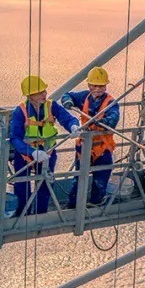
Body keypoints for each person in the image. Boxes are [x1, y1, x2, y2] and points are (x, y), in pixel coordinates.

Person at [9, 75, 80, 216]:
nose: (44, 94)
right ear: (30, 96)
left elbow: (66, 118)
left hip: (48, 152)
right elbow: (15, 138)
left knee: (45, 184)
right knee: (22, 185)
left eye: (44, 91)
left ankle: (40, 214)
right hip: (25, 154)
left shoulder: (51, 106)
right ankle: (23, 214)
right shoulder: (20, 111)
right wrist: (31, 151)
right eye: (39, 92)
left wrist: (73, 126)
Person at [61, 66, 120, 207]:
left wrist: (103, 122)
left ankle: (96, 203)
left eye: (101, 86)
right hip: (84, 146)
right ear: (89, 85)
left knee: (101, 178)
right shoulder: (84, 97)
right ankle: (73, 205)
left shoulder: (110, 103)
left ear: (105, 86)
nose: (98, 89)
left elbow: (114, 118)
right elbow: (66, 95)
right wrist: (67, 101)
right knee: (79, 178)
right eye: (95, 86)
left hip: (102, 148)